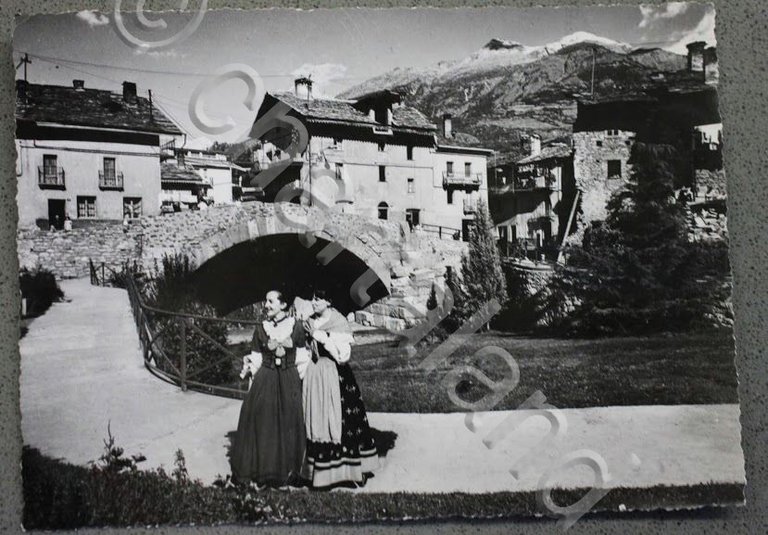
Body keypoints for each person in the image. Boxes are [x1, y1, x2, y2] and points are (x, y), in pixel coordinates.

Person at [301, 290, 378, 488]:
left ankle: (352, 471)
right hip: (314, 375)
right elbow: (306, 351)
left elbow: (343, 356)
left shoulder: (338, 322)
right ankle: (316, 473)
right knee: (315, 418)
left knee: (342, 420)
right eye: (312, 298)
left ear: (328, 301)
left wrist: (323, 336)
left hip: (336, 375)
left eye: (318, 298)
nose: (313, 302)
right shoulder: (309, 322)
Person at [230, 290, 307, 488]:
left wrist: (298, 383)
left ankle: (290, 471)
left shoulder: (296, 327)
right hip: (266, 377)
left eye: (271, 301)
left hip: (289, 378)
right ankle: (266, 471)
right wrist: (251, 372)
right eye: (266, 301)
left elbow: (302, 359)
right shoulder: (261, 329)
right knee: (263, 419)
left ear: (283, 305)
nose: (266, 305)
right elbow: (256, 356)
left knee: (290, 420)